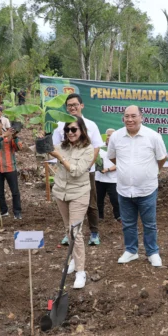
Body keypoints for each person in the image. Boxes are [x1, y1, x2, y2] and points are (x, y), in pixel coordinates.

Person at [107, 105, 168, 267]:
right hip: (124, 189)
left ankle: (152, 252)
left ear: (142, 117)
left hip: (147, 189)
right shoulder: (116, 137)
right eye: (126, 116)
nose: (130, 119)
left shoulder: (153, 136)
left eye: (133, 116)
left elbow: (162, 158)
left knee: (149, 224)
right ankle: (131, 251)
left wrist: (153, 171)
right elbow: (112, 157)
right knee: (127, 223)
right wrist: (126, 170)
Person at [48, 117, 94, 289]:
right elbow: (39, 153)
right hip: (61, 192)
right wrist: (40, 141)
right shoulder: (62, 146)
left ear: (81, 130)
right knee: (68, 228)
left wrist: (59, 157)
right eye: (67, 130)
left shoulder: (88, 150)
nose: (70, 133)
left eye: (74, 130)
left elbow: (76, 171)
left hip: (79, 193)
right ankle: (74, 259)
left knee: (76, 231)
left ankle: (81, 271)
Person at [52, 94, 104, 246]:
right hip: (65, 171)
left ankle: (94, 233)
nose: (72, 107)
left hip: (86, 170)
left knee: (91, 203)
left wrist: (84, 167)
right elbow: (55, 148)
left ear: (82, 106)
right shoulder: (61, 125)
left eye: (75, 104)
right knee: (66, 201)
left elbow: (96, 149)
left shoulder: (91, 125)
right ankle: (69, 234)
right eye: (69, 105)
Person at [0, 118, 23, 219]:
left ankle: (17, 212)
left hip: (10, 167)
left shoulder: (10, 135)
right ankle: (3, 211)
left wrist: (15, 137)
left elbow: (19, 148)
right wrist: (3, 136)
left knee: (15, 191)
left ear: (1, 124)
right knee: (0, 191)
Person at [95, 129, 121, 222]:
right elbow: (94, 158)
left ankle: (118, 216)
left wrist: (108, 169)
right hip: (99, 179)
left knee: (115, 199)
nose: (109, 137)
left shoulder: (119, 147)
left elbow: (120, 163)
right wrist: (98, 167)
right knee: (99, 199)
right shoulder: (99, 147)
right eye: (108, 135)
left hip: (113, 179)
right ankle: (99, 216)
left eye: (112, 135)